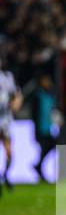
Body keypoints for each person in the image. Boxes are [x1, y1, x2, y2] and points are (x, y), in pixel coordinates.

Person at [30, 72, 61, 182]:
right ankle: (39, 167)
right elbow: (34, 114)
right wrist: (35, 130)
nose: (47, 83)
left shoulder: (52, 95)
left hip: (51, 128)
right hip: (41, 128)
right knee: (44, 148)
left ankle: (39, 166)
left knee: (53, 147)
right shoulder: (37, 95)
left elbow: (55, 111)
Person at [0, 56, 23, 195]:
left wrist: (16, 103)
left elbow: (17, 94)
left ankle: (4, 174)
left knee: (9, 151)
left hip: (5, 119)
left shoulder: (8, 77)